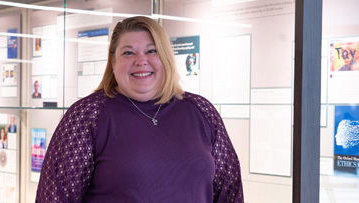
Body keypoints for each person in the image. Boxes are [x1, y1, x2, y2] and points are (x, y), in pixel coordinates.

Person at [36, 16, 243, 202]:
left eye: (151, 51)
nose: (141, 61)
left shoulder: (202, 111)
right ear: (113, 61)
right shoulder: (87, 115)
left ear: (166, 57)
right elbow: (54, 197)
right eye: (128, 53)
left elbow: (231, 192)